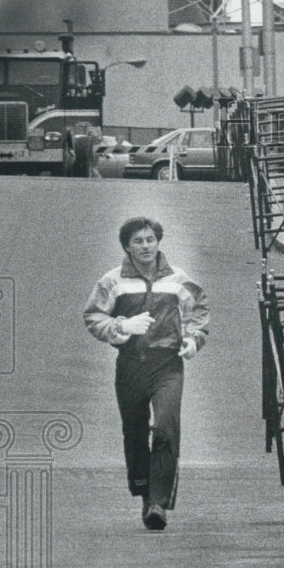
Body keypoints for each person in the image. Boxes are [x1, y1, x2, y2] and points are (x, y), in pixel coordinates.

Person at [84, 218, 210, 531]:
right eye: (138, 241)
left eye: (150, 239)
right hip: (130, 364)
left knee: (166, 428)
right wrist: (120, 327)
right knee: (135, 432)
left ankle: (158, 503)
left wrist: (193, 339)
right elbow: (93, 316)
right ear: (126, 246)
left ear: (158, 242)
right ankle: (144, 494)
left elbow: (198, 310)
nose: (145, 246)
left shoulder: (177, 279)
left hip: (167, 365)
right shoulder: (113, 282)